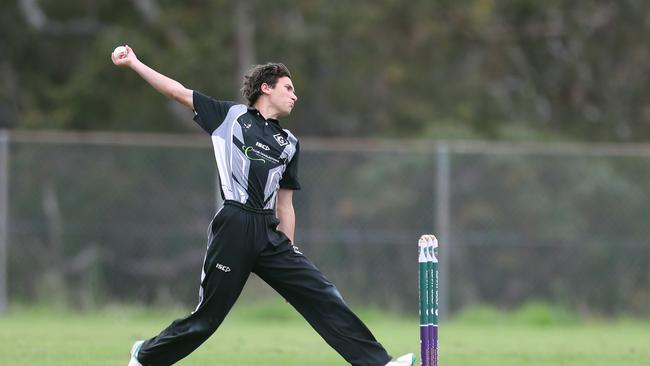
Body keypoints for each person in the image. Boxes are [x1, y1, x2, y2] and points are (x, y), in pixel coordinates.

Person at [111, 45, 415, 366]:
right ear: (265, 88)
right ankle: (144, 355)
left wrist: (289, 255)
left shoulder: (290, 144)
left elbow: (286, 204)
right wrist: (135, 63)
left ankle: (380, 363)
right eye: (288, 88)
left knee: (323, 295)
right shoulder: (230, 116)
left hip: (269, 234)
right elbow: (177, 92)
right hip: (234, 225)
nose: (294, 96)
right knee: (208, 319)